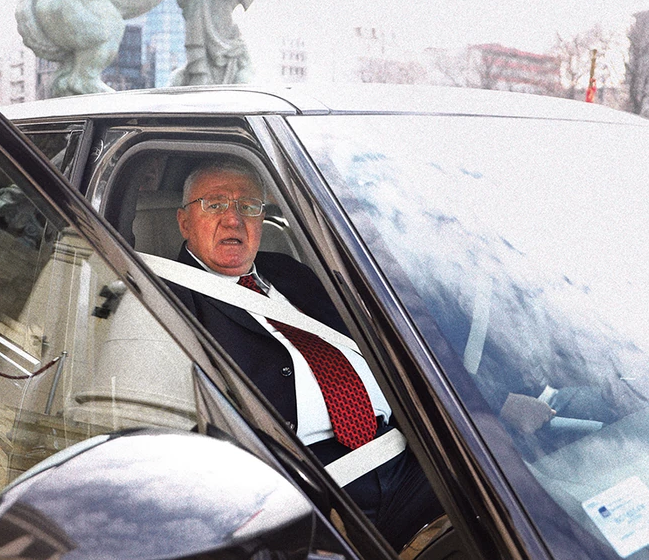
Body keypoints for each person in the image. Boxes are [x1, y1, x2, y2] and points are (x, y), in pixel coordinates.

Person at [164, 157, 444, 551]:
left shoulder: (289, 272)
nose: (233, 219)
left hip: (406, 455)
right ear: (184, 222)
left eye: (249, 206)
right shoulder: (165, 298)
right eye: (215, 204)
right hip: (308, 489)